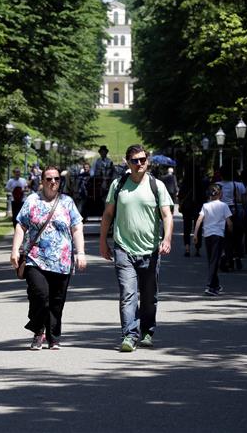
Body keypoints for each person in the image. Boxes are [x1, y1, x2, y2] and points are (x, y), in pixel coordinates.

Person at [99, 144, 174, 352]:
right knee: (127, 294)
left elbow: (167, 215)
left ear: (147, 161)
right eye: (135, 160)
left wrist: (167, 238)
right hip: (123, 248)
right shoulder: (119, 184)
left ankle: (147, 331)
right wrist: (102, 240)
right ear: (128, 162)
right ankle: (129, 335)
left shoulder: (156, 185)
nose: (139, 164)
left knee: (149, 296)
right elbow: (108, 214)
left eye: (142, 159)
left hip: (150, 250)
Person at [10, 166, 87, 350]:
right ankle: (38, 330)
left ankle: (53, 337)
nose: (53, 182)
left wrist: (81, 252)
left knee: (57, 301)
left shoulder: (67, 202)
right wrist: (14, 250)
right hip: (35, 258)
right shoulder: (32, 200)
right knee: (40, 295)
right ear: (42, 181)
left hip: (62, 261)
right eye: (49, 179)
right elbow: (21, 226)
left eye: (57, 179)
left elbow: (77, 228)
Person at [192, 184, 233, 296]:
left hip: (207, 235)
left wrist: (195, 234)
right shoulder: (224, 206)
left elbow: (199, 220)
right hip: (218, 235)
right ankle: (210, 286)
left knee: (212, 260)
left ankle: (216, 285)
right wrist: (230, 230)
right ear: (220, 194)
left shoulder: (205, 206)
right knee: (214, 261)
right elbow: (229, 222)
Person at [179, 167, 206, 257]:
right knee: (197, 228)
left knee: (187, 227)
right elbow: (204, 197)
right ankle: (197, 248)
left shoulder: (185, 183)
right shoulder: (200, 183)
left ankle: (187, 248)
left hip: (187, 207)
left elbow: (180, 195)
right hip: (198, 207)